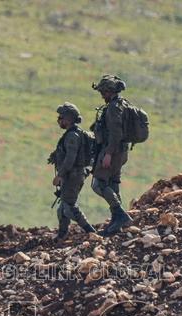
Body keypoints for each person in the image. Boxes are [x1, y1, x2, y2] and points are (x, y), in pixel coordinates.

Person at [90, 75, 132, 237]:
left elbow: (115, 133)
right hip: (121, 151)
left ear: (110, 91)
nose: (102, 95)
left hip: (112, 151)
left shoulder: (114, 108)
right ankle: (116, 222)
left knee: (99, 184)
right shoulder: (123, 104)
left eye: (104, 92)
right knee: (113, 184)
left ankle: (120, 214)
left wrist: (108, 154)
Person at [48, 103, 96, 241]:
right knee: (62, 208)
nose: (58, 120)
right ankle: (62, 235)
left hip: (73, 175)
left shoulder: (72, 136)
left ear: (68, 119)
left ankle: (91, 231)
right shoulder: (71, 134)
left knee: (69, 207)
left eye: (61, 117)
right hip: (71, 175)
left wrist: (60, 175)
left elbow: (70, 159)